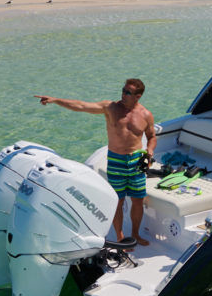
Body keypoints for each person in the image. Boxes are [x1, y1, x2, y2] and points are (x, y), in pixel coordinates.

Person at [34, 79, 157, 246]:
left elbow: (151, 137)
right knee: (118, 200)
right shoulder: (110, 108)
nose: (123, 94)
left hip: (139, 158)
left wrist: (150, 151)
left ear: (138, 96)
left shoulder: (146, 115)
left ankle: (135, 234)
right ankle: (120, 237)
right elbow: (81, 106)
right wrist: (55, 100)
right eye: (123, 90)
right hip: (116, 158)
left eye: (128, 92)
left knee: (138, 199)